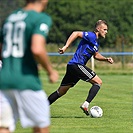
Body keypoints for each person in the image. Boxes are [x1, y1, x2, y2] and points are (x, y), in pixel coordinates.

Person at [0, 0, 59, 133]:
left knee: (4, 127)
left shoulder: (10, 18)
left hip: (3, 80)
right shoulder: (40, 18)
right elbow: (37, 49)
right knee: (41, 126)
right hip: (26, 80)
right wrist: (50, 70)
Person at [48, 20, 114, 116]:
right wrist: (66, 46)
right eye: (105, 29)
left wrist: (105, 59)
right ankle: (85, 104)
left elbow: (96, 55)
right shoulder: (91, 36)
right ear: (98, 29)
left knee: (61, 91)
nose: (106, 32)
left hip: (72, 66)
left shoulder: (96, 43)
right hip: (77, 65)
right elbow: (76, 33)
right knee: (98, 82)